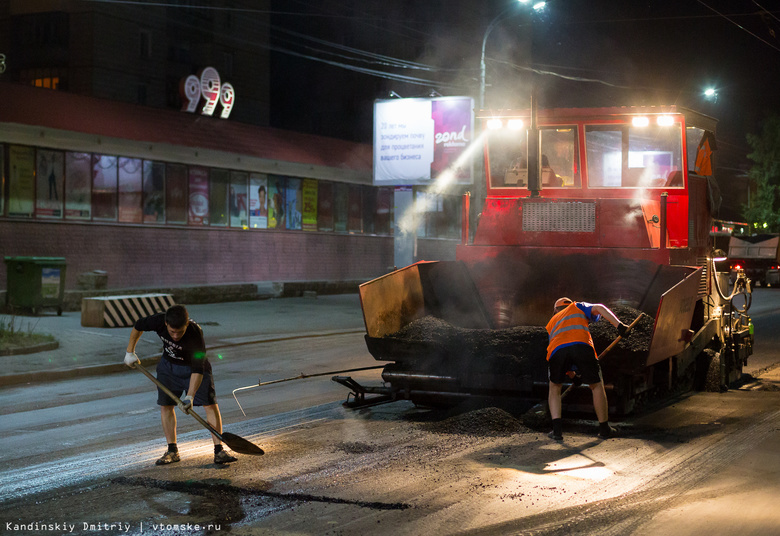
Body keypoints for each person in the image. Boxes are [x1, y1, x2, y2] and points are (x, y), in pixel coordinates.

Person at [123, 304, 238, 465]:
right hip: (168, 367)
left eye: (180, 332)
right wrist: (130, 351)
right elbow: (138, 326)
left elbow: (198, 369)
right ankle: (172, 451)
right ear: (166, 324)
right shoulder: (157, 321)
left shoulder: (195, 334)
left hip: (194, 368)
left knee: (209, 405)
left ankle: (219, 450)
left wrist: (190, 397)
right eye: (172, 332)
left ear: (186, 325)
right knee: (166, 405)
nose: (175, 336)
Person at [545, 297, 632, 441]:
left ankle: (557, 432)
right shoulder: (577, 306)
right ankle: (604, 429)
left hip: (557, 352)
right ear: (569, 304)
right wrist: (620, 326)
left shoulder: (551, 323)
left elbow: (559, 349)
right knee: (596, 385)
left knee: (554, 387)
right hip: (582, 347)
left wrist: (573, 377)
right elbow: (600, 307)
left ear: (555, 310)